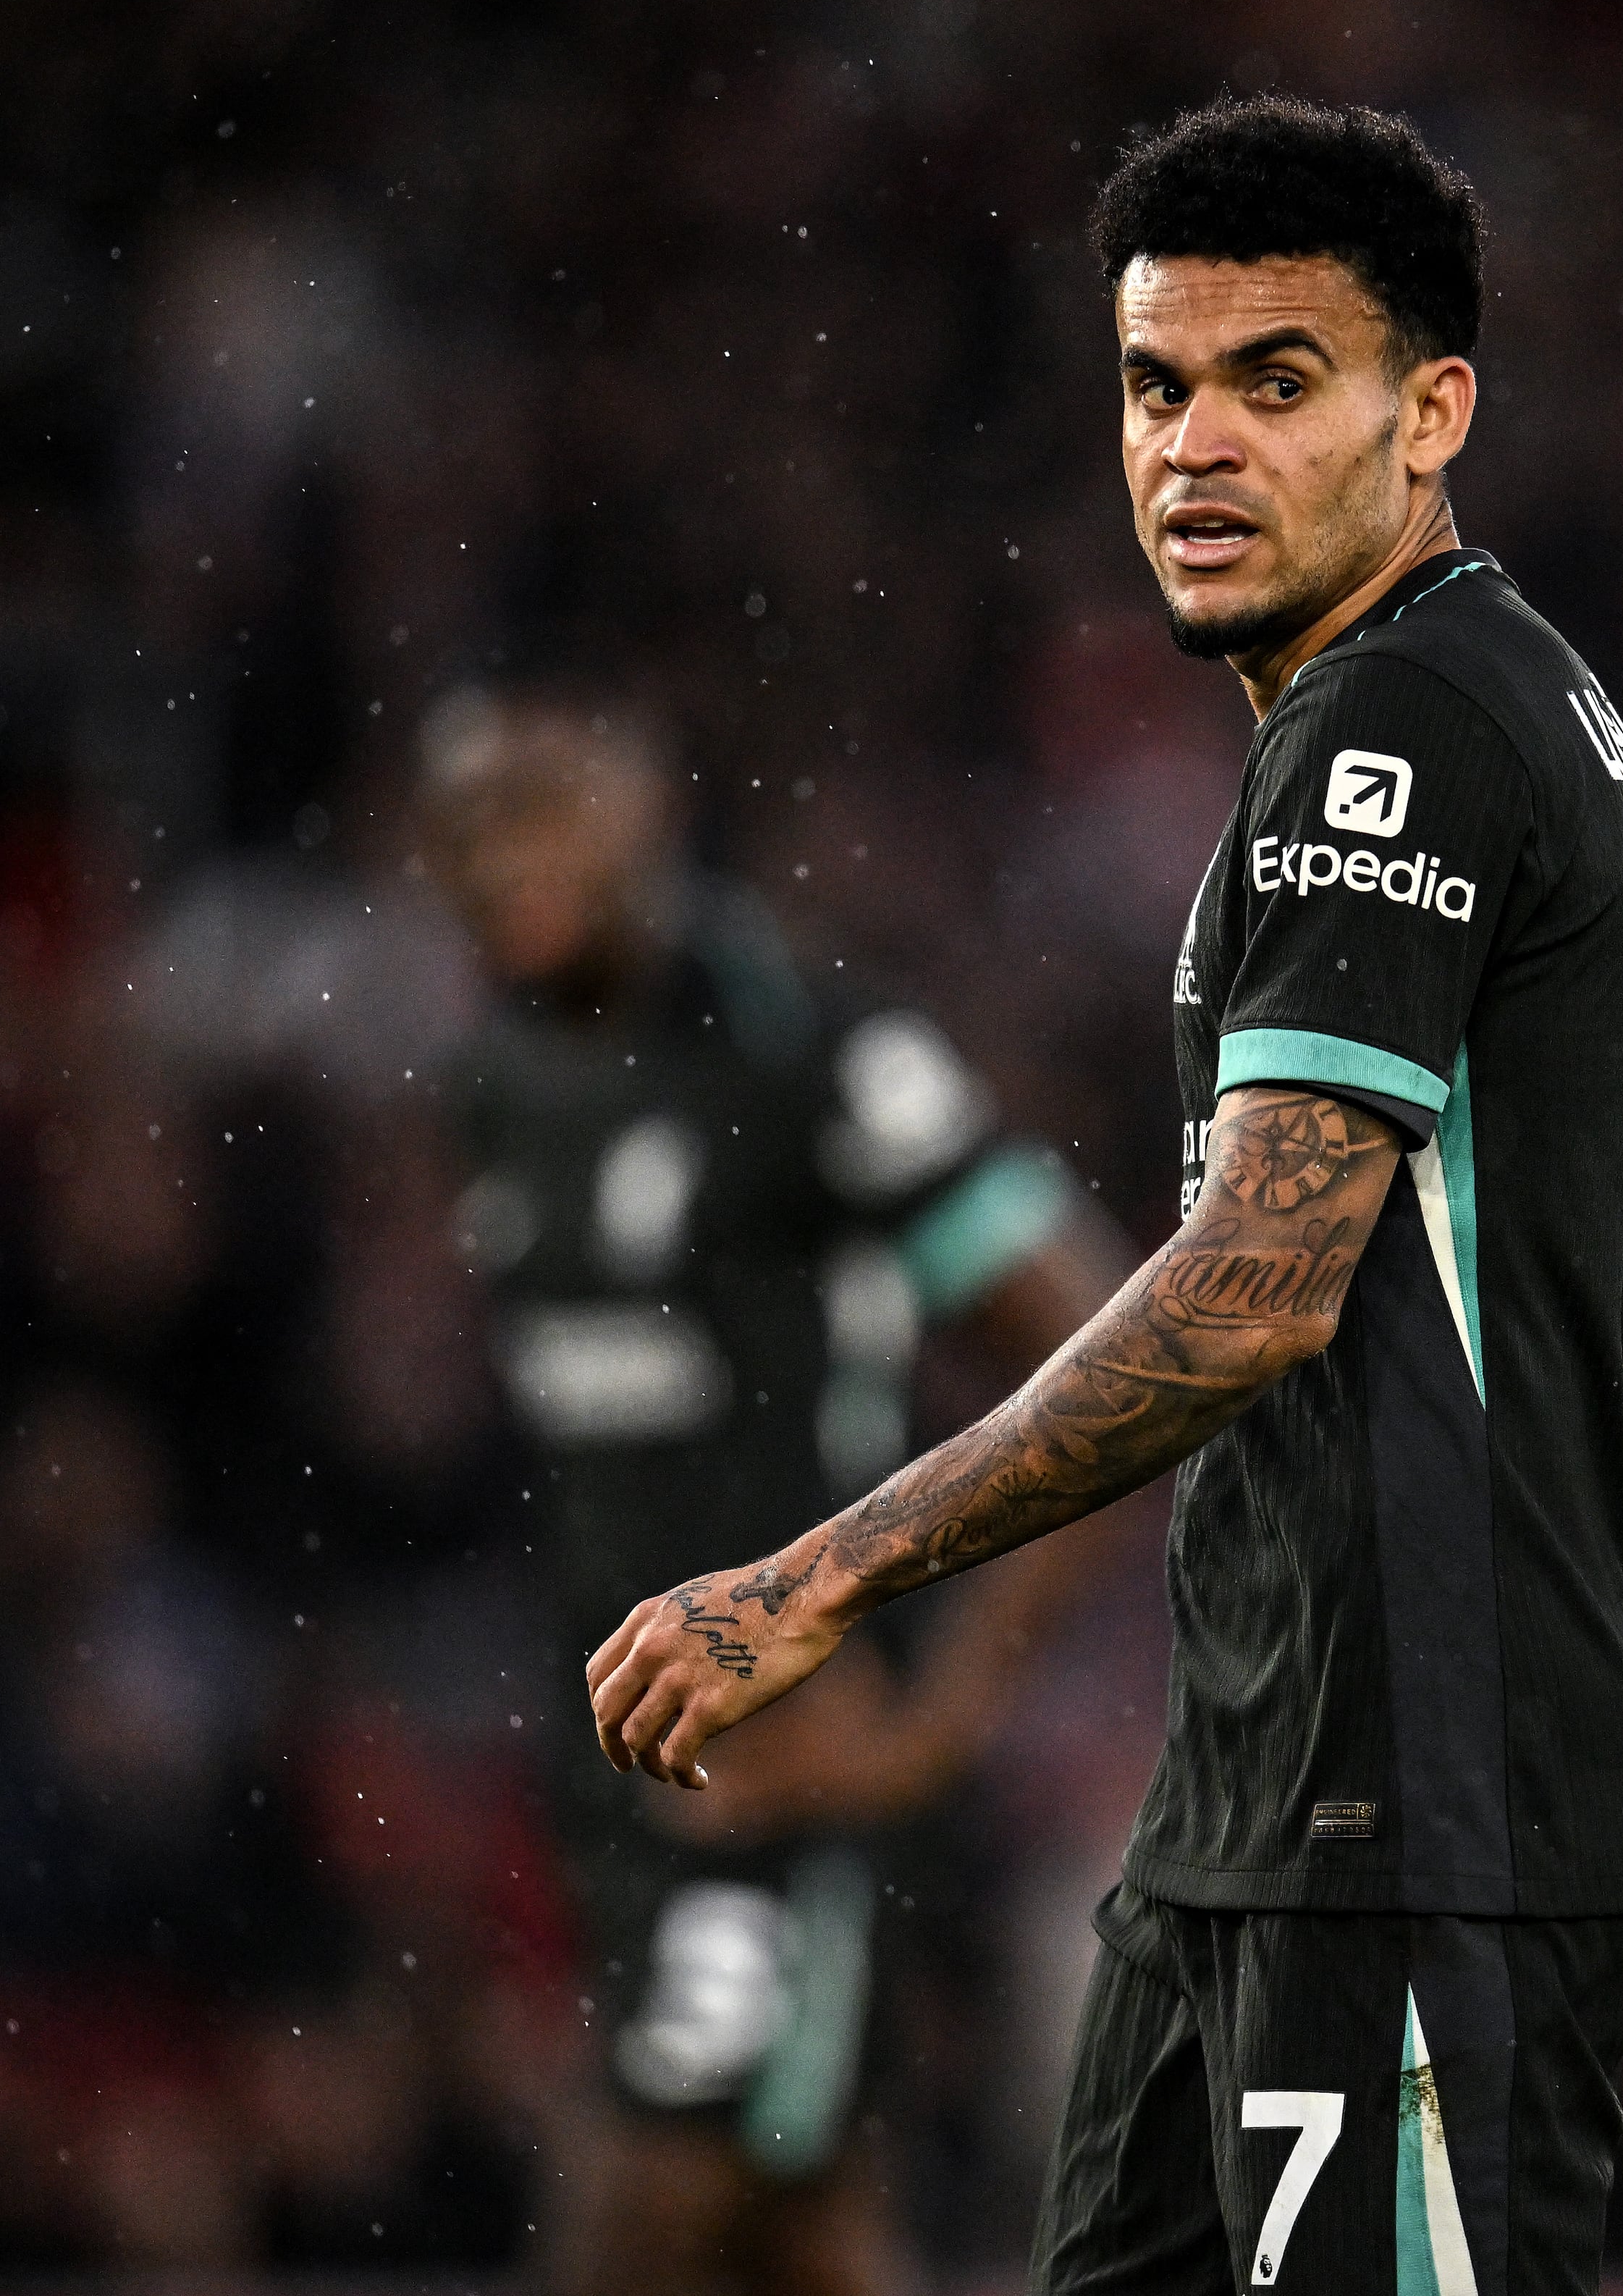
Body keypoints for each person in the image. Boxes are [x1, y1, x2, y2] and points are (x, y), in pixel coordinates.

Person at [583, 96, 1623, 2296]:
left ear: (1430, 412)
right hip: (1269, 1821)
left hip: (1415, 1817)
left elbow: (1258, 1286)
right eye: (1154, 385)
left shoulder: (1406, 731)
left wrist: (817, 1579)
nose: (1193, 445)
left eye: (1275, 383)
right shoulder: (1529, 716)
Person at [422, 688, 1131, 2296]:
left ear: (647, 798)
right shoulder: (496, 1080)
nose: (504, 853)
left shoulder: (812, 1049)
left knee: (649, 2203)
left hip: (781, 1758)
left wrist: (926, 1726)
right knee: (798, 2232)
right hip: (618, 1764)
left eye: (545, 800)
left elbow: (1105, 1373)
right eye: (468, 820)